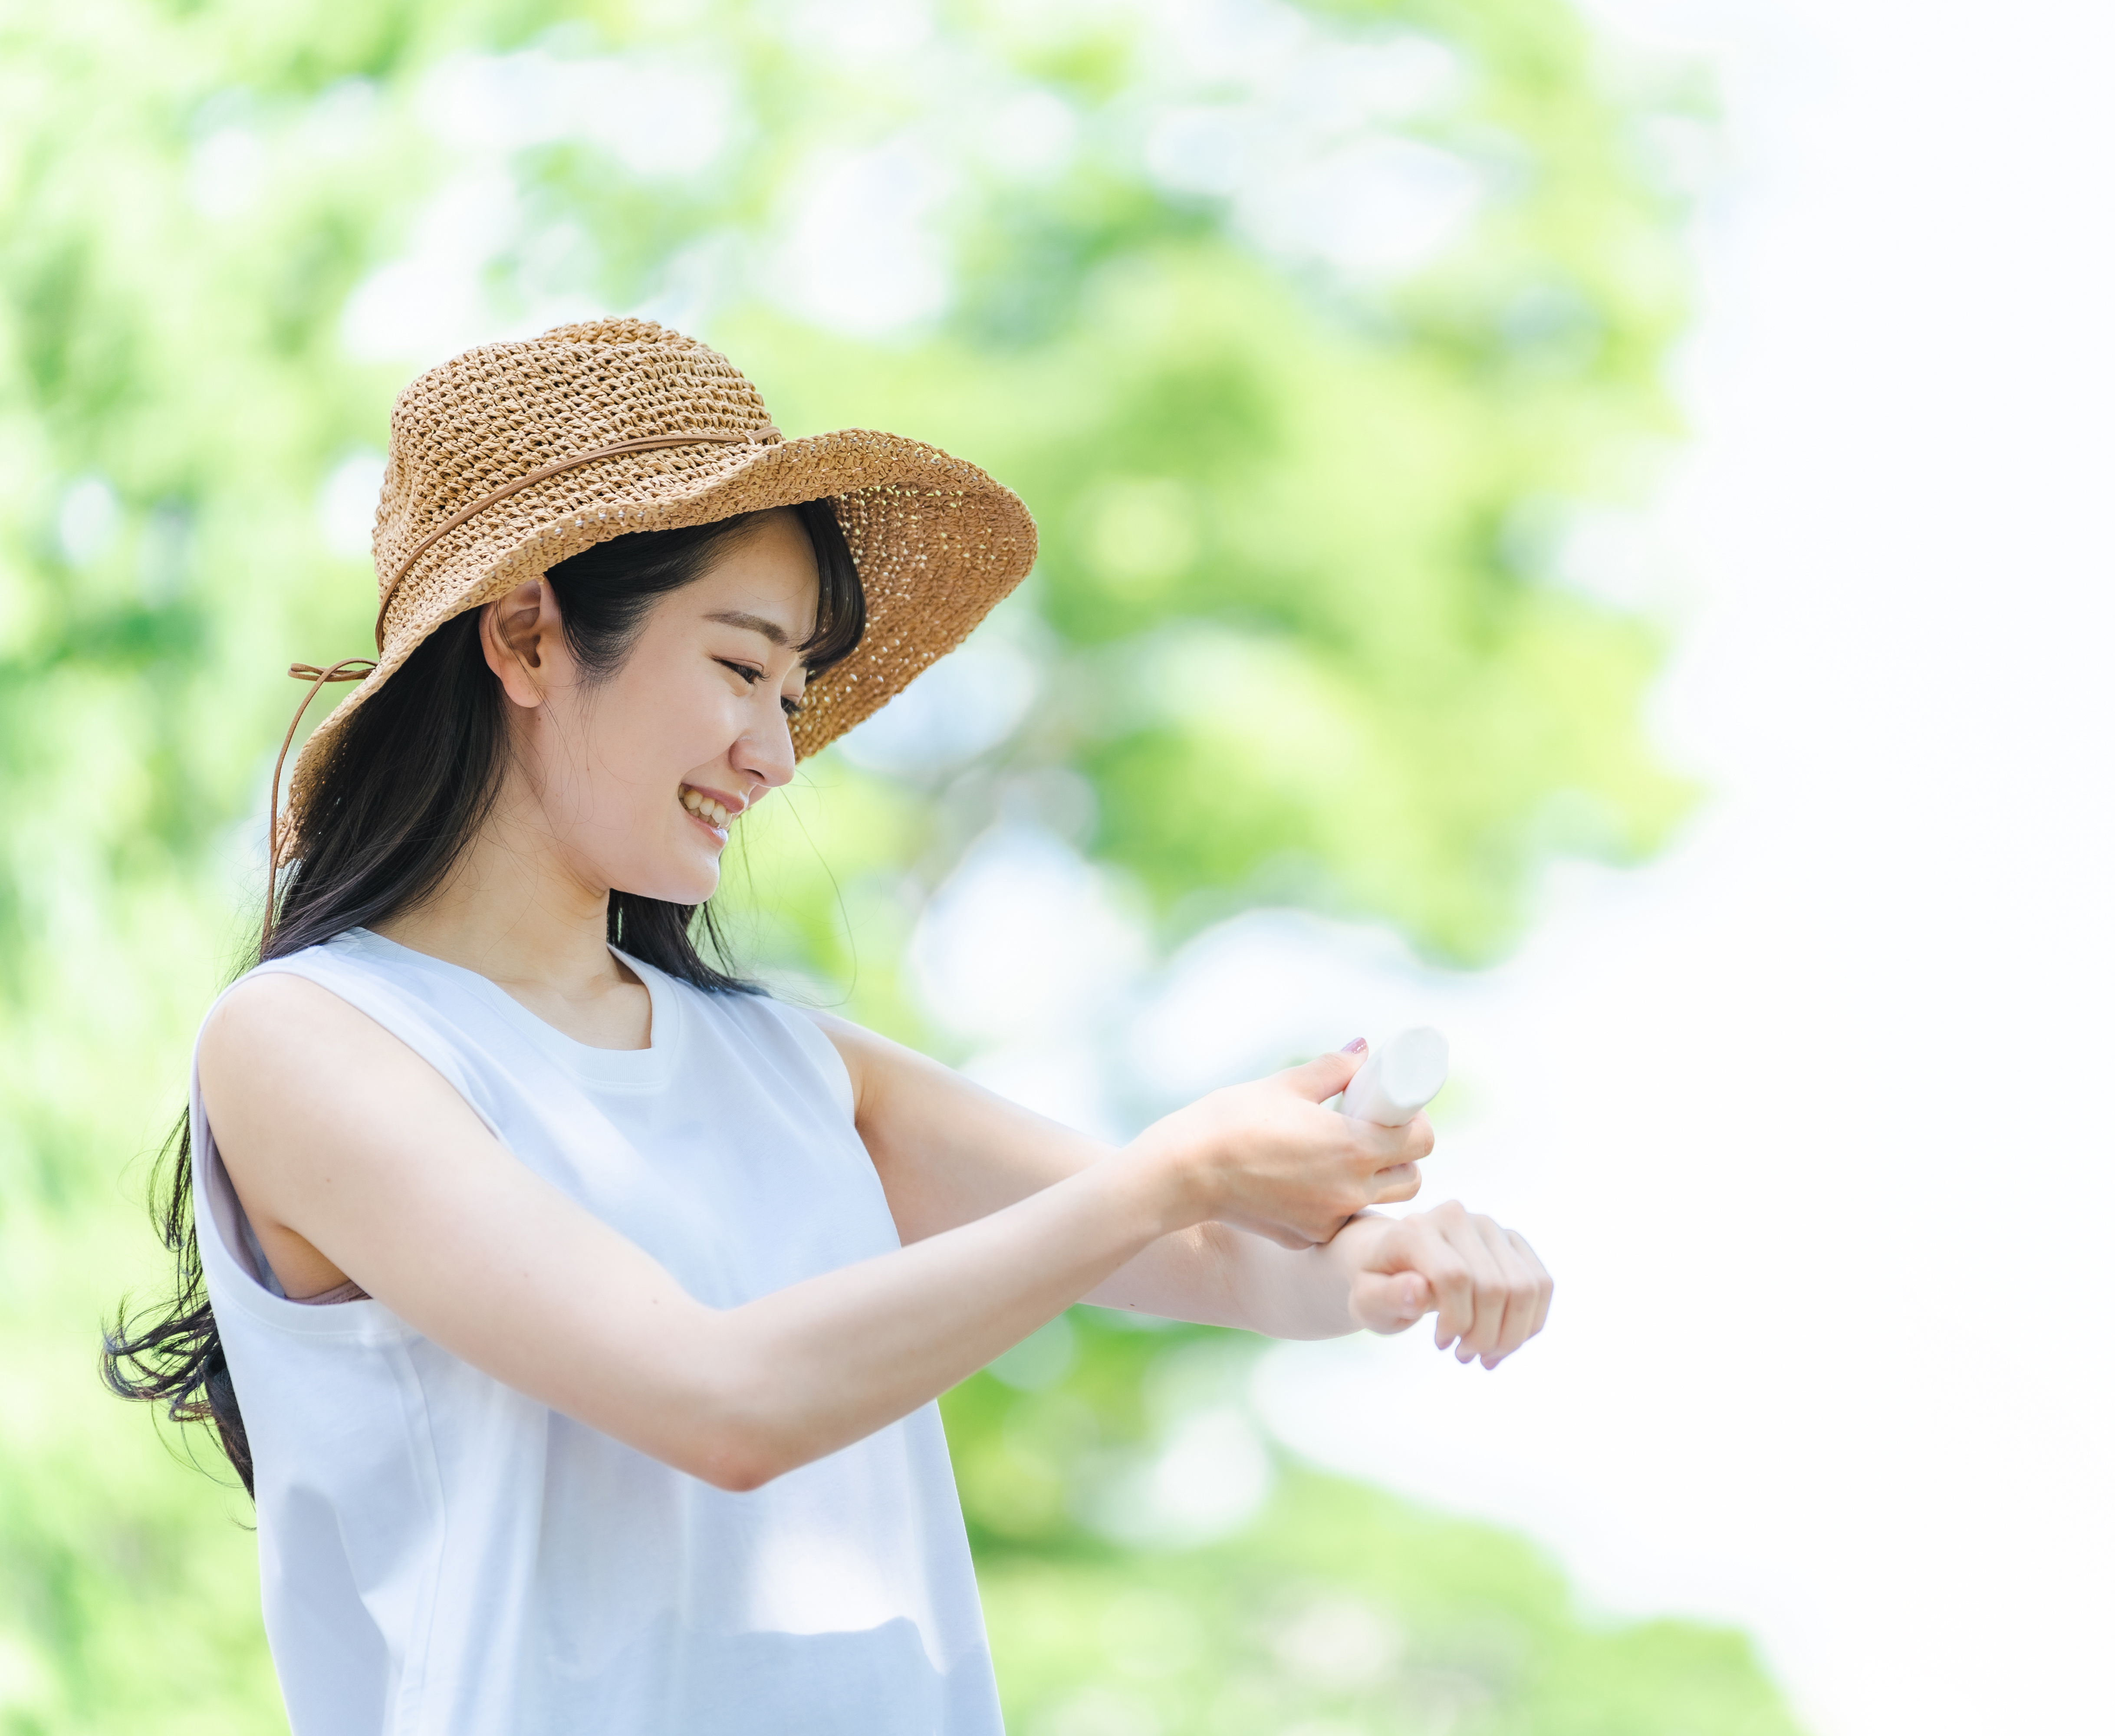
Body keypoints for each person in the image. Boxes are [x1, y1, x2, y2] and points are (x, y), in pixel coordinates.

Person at [100, 319, 1553, 1735]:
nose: (779, 753)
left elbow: (1218, 1265)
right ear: (530, 637)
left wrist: (1385, 1256)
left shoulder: (790, 1067)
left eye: (793, 690)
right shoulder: (310, 1040)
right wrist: (1180, 1170)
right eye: (740, 669)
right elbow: (722, 1399)